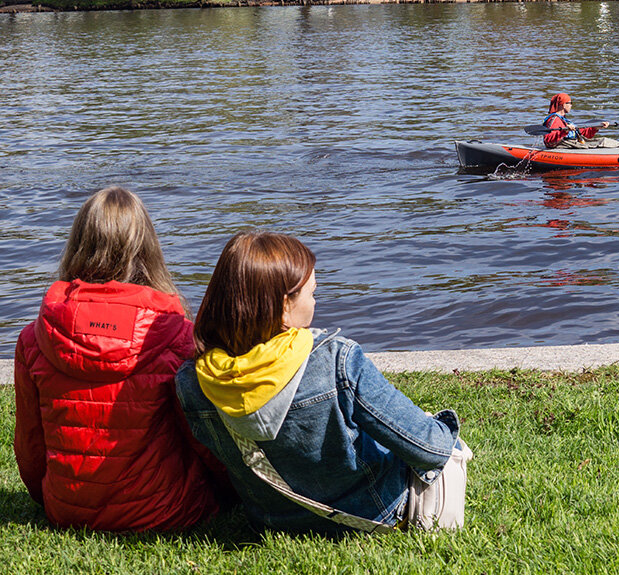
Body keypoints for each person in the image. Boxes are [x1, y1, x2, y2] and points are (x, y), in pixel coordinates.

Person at [176, 232, 471, 536]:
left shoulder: (194, 382)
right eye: (311, 293)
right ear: (284, 306)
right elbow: (431, 451)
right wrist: (441, 427)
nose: (316, 301)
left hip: (270, 522)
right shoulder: (336, 360)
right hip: (373, 511)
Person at [14, 187, 228, 532]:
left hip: (65, 510)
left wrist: (47, 500)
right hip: (163, 512)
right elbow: (201, 440)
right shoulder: (175, 335)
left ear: (78, 242)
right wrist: (229, 489)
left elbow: (30, 443)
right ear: (147, 247)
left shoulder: (33, 338)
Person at [542, 92, 619, 149]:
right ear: (563, 104)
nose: (571, 105)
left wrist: (596, 127)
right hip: (566, 145)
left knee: (604, 140)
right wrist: (565, 131)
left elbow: (580, 133)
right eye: (570, 103)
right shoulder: (554, 120)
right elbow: (549, 141)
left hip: (572, 143)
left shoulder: (563, 119)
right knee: (604, 142)